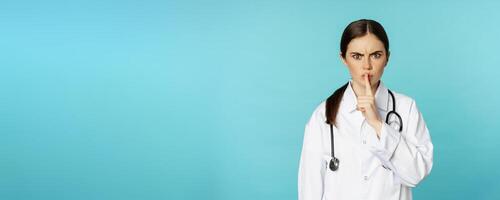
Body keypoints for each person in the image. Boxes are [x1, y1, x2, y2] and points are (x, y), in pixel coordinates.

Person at [298, 19, 434, 200]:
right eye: (357, 56)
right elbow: (310, 190)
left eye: (376, 55)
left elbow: (416, 174)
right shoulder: (322, 115)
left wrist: (378, 124)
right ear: (343, 59)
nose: (367, 66)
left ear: (387, 58)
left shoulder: (406, 108)